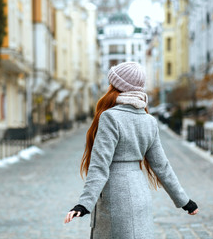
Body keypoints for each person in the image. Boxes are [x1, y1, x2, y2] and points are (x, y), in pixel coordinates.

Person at [64, 62, 198, 239]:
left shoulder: (110, 117)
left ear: (117, 86)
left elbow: (99, 166)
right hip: (139, 192)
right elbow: (162, 167)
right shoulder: (149, 120)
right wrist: (185, 201)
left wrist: (83, 204)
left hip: (116, 196)